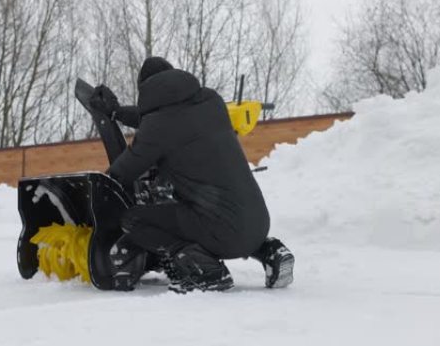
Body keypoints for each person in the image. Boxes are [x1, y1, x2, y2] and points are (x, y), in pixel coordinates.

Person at [90, 57, 294, 293]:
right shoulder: (211, 102)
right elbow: (167, 119)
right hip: (258, 224)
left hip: (222, 231)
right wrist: (117, 112)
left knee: (134, 220)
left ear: (145, 88)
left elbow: (125, 169)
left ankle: (205, 270)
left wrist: (98, 191)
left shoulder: (158, 126)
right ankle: (271, 252)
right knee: (218, 214)